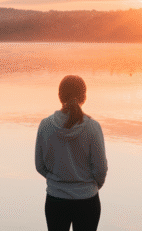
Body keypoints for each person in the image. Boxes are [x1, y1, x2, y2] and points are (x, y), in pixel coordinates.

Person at [35, 75, 108, 231]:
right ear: (84, 97)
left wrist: (56, 181)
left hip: (56, 200)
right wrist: (91, 186)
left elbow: (39, 165)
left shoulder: (45, 125)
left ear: (59, 96)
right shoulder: (92, 127)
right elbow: (101, 169)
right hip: (87, 200)